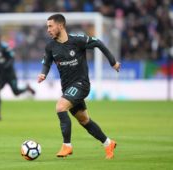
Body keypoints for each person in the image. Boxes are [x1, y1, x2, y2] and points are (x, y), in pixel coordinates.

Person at [37, 14, 120, 159]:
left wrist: (112, 62)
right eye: (47, 26)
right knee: (84, 120)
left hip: (81, 84)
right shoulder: (50, 46)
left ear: (60, 26)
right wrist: (43, 74)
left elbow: (98, 43)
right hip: (68, 88)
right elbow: (46, 62)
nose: (48, 29)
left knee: (60, 107)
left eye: (50, 26)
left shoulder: (77, 40)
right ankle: (108, 143)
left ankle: (67, 146)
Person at [0, 33, 35, 121]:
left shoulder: (4, 47)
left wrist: (7, 65)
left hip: (10, 74)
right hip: (0, 75)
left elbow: (12, 57)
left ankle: (27, 88)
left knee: (16, 92)